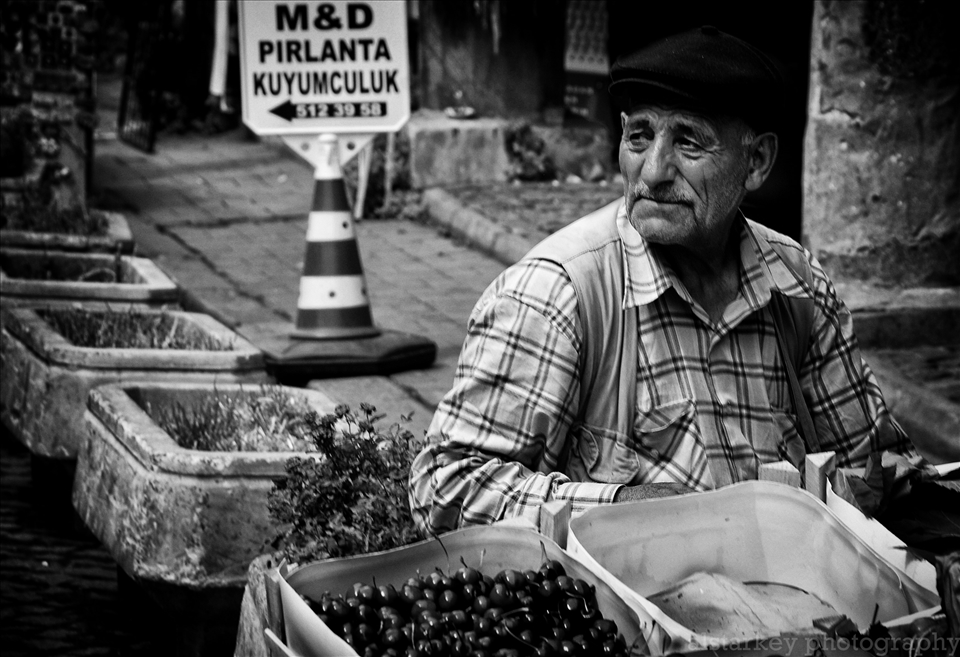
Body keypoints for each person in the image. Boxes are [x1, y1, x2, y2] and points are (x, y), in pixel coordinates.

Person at [408, 26, 913, 535]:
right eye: (640, 136)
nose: (652, 173)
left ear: (756, 161)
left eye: (688, 141)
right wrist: (631, 504)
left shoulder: (795, 284)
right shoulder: (557, 294)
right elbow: (446, 488)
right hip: (626, 609)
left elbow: (875, 466)